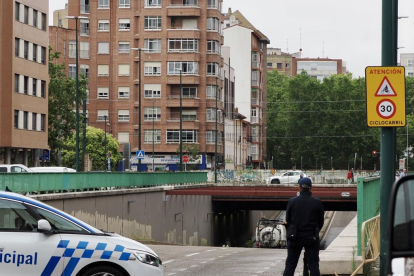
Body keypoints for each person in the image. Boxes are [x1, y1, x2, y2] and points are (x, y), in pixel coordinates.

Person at [283, 178, 324, 276]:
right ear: (311, 187)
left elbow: (288, 220)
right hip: (311, 238)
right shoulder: (317, 202)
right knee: (313, 265)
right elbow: (321, 222)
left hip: (295, 237)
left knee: (290, 265)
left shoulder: (292, 201)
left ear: (299, 187)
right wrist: (315, 232)